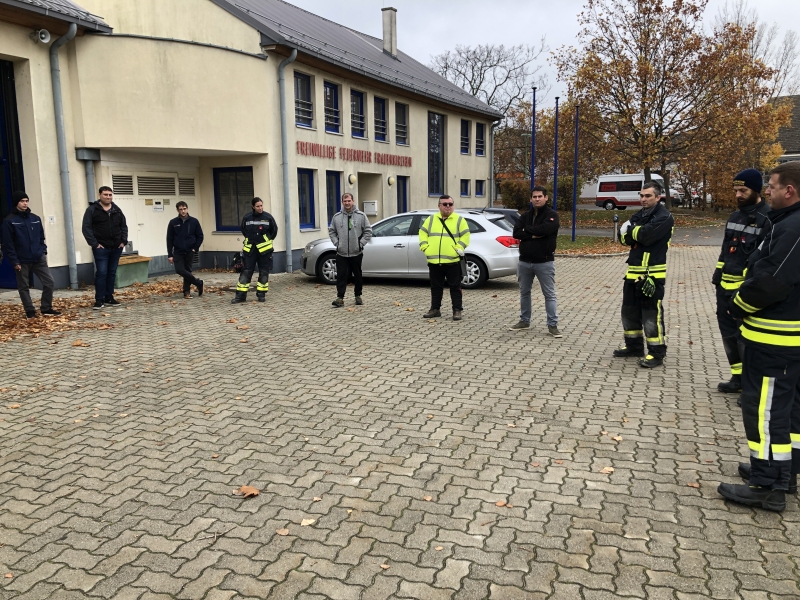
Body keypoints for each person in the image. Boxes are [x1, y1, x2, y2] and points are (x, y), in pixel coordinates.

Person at [718, 162, 800, 512]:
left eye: (773, 186)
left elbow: (771, 280)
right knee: (788, 411)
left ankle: (767, 485)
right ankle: (784, 471)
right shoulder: (786, 221)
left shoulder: (794, 227)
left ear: (790, 191)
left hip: (776, 340)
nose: (768, 191)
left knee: (764, 411)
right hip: (781, 339)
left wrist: (738, 304)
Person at [712, 169, 771, 393]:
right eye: (736, 190)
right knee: (728, 335)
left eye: (743, 190)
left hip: (746, 293)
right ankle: (737, 377)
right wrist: (718, 275)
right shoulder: (735, 216)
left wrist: (749, 287)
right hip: (725, 288)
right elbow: (726, 250)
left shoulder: (767, 218)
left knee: (745, 338)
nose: (738, 195)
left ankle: (750, 384)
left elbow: (763, 260)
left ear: (756, 190)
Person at [613, 180, 674, 368]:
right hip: (632, 273)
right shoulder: (639, 214)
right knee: (629, 312)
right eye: (641, 195)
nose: (643, 199)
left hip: (651, 275)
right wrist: (634, 232)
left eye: (648, 196)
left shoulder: (664, 216)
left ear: (658, 197)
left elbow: (646, 235)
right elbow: (623, 237)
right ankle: (634, 347)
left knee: (651, 315)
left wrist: (633, 231)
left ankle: (656, 353)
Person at [510, 186, 561, 337]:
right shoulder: (525, 216)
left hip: (544, 262)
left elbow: (545, 230)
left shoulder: (552, 215)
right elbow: (516, 232)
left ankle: (552, 325)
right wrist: (532, 234)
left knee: (549, 294)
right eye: (534, 197)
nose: (537, 199)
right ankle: (524, 321)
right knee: (524, 293)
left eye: (540, 196)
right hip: (524, 262)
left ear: (546, 198)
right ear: (530, 199)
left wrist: (527, 231)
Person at [1, 191, 60, 319]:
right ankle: (30, 311)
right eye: (22, 201)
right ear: (17, 202)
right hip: (21, 260)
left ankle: (46, 308)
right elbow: (8, 244)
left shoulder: (35, 218)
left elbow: (41, 237)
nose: (25, 203)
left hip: (38, 258)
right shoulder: (9, 221)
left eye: (26, 201)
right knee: (24, 287)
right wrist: (15, 261)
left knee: (49, 282)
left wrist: (43, 250)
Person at [418, 195, 470, 321]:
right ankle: (435, 309)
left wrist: (459, 248)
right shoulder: (431, 219)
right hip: (434, 261)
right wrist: (425, 247)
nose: (448, 206)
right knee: (435, 287)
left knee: (455, 287)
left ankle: (457, 310)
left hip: (452, 261)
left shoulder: (459, 220)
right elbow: (422, 233)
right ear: (439, 206)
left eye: (450, 204)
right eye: (445, 204)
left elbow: (465, 236)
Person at [82, 185, 128, 310]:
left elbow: (123, 226)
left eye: (110, 195)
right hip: (101, 248)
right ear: (99, 195)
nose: (108, 197)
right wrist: (95, 244)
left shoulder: (117, 210)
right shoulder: (92, 210)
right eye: (105, 194)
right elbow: (86, 228)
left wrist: (123, 241)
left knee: (111, 273)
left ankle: (109, 297)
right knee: (102, 273)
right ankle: (99, 300)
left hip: (116, 247)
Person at [328, 192, 372, 307]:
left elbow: (368, 231)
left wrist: (360, 244)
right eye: (345, 201)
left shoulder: (361, 216)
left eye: (349, 201)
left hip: (356, 252)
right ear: (342, 202)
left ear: (353, 201)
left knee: (357, 275)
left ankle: (358, 296)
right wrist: (337, 244)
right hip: (341, 253)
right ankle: (340, 298)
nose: (347, 203)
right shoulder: (336, 217)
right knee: (341, 276)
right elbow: (332, 231)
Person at [231, 197, 277, 304]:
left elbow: (273, 232)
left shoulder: (268, 217)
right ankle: (240, 296)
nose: (260, 208)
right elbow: (244, 231)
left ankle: (261, 294)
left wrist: (265, 240)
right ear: (253, 207)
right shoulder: (247, 218)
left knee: (264, 272)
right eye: (258, 206)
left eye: (261, 205)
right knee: (245, 272)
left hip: (265, 251)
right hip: (250, 251)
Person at [167, 201, 205, 299]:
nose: (183, 211)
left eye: (184, 209)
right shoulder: (173, 222)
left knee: (187, 271)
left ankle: (186, 292)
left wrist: (195, 248)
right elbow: (169, 239)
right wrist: (170, 254)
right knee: (179, 270)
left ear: (187, 209)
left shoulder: (194, 221)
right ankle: (198, 282)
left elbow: (200, 236)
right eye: (181, 209)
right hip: (178, 251)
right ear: (177, 210)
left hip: (190, 250)